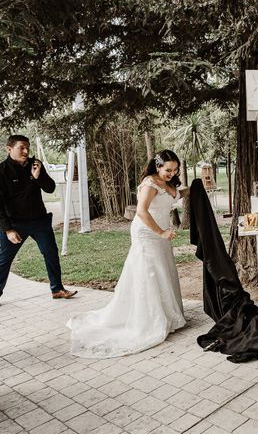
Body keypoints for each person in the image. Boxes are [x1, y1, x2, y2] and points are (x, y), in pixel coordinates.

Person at [67, 150, 187, 357]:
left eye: (175, 170)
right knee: (150, 272)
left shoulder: (168, 184)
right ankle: (149, 319)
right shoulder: (149, 184)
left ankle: (168, 314)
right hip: (147, 233)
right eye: (168, 169)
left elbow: (177, 194)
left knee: (163, 270)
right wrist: (161, 232)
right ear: (157, 167)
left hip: (162, 234)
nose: (172, 173)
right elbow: (141, 211)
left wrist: (195, 189)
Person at [0, 135, 77, 301]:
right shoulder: (2, 171)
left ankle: (57, 289)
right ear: (9, 149)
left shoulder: (36, 165)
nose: (26, 151)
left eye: (28, 147)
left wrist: (38, 176)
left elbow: (50, 188)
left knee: (51, 254)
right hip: (15, 224)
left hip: (40, 221)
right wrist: (8, 230)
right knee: (4, 260)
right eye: (22, 147)